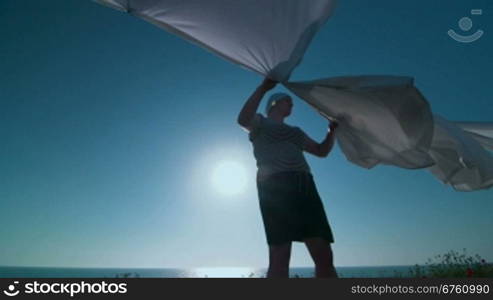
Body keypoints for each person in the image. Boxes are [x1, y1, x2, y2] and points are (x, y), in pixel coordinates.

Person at [237, 77, 339, 278]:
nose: (292, 104)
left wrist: (331, 132)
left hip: (304, 185)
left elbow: (321, 151)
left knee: (323, 254)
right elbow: (242, 120)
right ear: (275, 103)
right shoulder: (260, 122)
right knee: (280, 254)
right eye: (287, 100)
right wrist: (263, 88)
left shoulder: (296, 132)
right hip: (274, 187)